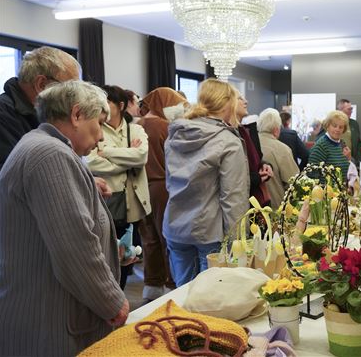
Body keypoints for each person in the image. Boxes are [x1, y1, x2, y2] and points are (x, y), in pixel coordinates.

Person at [0, 81, 128, 356]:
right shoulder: (50, 155)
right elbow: (74, 246)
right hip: (49, 321)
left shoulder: (39, 146)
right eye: (99, 123)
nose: (102, 137)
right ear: (77, 115)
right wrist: (112, 302)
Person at [164, 78, 249, 286]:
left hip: (175, 227)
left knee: (182, 294)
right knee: (211, 299)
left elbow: (171, 182)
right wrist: (238, 243)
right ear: (228, 103)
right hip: (210, 233)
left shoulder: (176, 135)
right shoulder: (228, 141)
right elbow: (233, 198)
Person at [87, 84, 151, 289]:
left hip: (131, 202)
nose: (100, 105)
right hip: (106, 199)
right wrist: (126, 158)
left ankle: (119, 293)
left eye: (107, 101)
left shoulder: (136, 128)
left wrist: (107, 152)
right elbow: (90, 161)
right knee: (104, 251)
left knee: (126, 251)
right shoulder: (95, 127)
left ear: (120, 105)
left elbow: (141, 157)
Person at [136, 87, 186, 301]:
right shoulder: (166, 127)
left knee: (149, 239)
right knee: (168, 237)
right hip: (163, 187)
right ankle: (171, 284)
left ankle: (152, 282)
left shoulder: (137, 126)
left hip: (139, 186)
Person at [0, 46, 80, 173]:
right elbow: (22, 174)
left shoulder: (43, 113)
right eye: (69, 89)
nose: (74, 98)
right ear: (41, 84)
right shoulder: (3, 115)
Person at [257, 108, 299, 210]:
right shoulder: (282, 149)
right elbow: (293, 182)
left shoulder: (248, 145)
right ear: (276, 129)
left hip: (252, 208)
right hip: (275, 208)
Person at [236, 94, 273, 207]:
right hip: (243, 204)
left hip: (256, 201)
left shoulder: (245, 131)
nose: (246, 101)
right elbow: (234, 179)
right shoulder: (232, 134)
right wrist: (256, 178)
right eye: (240, 98)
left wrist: (264, 165)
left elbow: (255, 159)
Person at [309, 110, 351, 183]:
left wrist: (349, 158)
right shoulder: (321, 146)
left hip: (341, 191)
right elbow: (312, 175)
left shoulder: (342, 144)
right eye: (334, 126)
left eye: (341, 127)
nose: (337, 129)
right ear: (327, 126)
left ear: (344, 130)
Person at [336, 99, 361, 168]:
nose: (351, 111)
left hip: (352, 162)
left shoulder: (354, 124)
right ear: (340, 110)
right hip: (335, 161)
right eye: (349, 109)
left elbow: (359, 143)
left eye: (352, 109)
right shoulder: (331, 123)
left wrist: (358, 160)